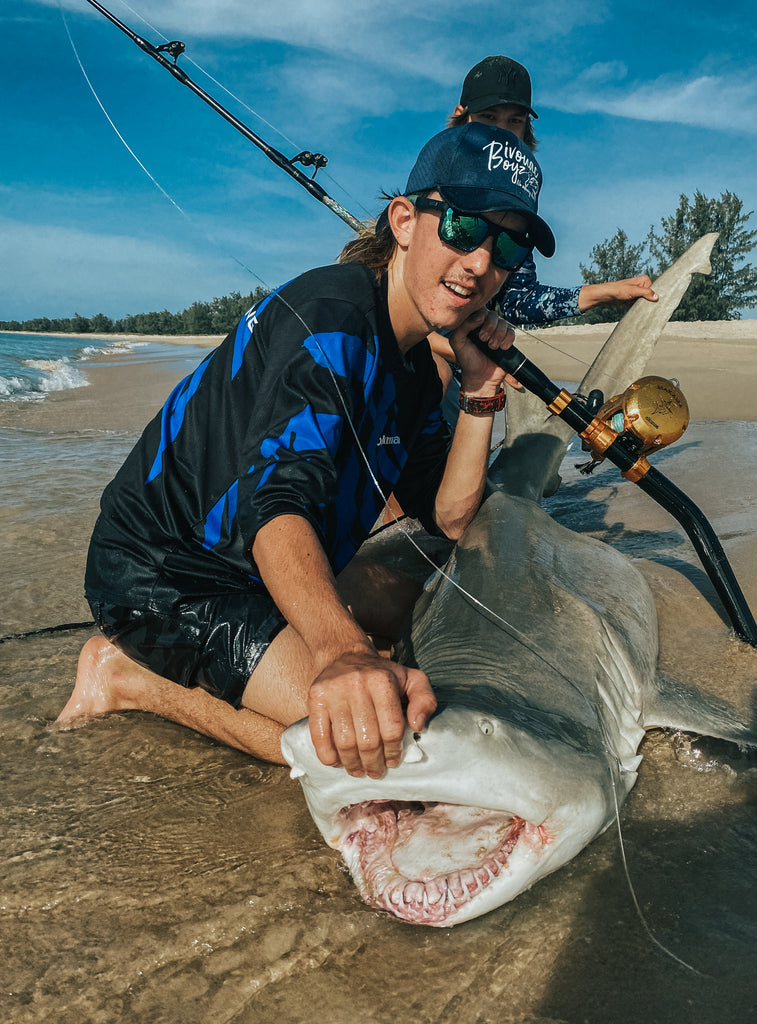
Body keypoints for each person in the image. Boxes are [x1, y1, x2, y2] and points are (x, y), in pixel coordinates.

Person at [57, 121, 555, 783]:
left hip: (267, 567)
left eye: (508, 245)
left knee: (436, 609)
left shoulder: (413, 364)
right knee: (373, 747)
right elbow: (276, 503)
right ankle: (123, 674)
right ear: (404, 221)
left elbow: (452, 518)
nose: (481, 263)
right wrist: (342, 651)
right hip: (167, 575)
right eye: (464, 227)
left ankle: (283, 646)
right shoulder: (332, 319)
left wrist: (479, 393)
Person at [448, 55, 658, 326]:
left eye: (514, 121)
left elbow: (519, 300)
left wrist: (608, 292)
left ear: (526, 129)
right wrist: (441, 342)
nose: (502, 132)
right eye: (488, 117)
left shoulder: (516, 207)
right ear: (461, 116)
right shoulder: (434, 181)